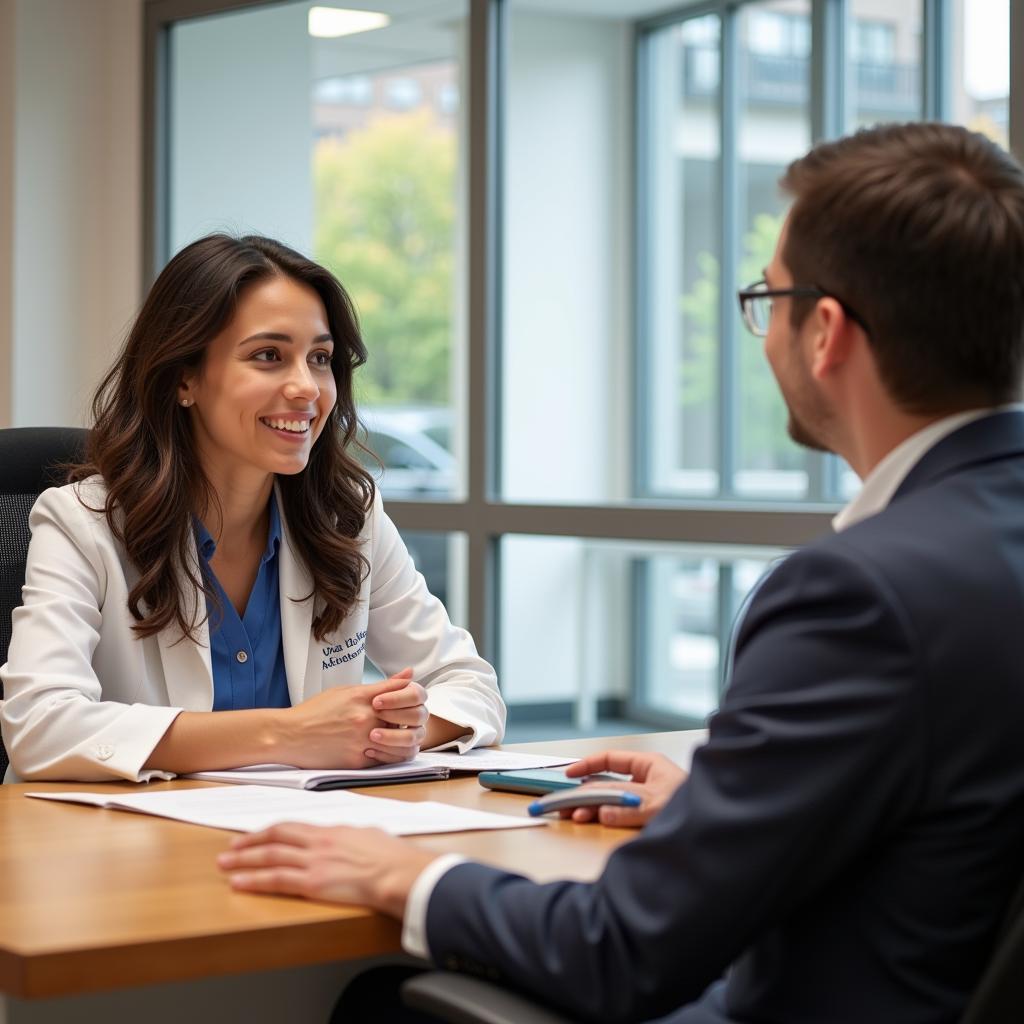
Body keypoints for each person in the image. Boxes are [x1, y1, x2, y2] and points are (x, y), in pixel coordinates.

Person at [217, 122, 1024, 1024]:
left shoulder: (856, 595)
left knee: (388, 1006)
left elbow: (625, 951)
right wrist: (732, 811)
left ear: (825, 332)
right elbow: (954, 815)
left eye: (768, 297)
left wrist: (410, 875)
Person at [0, 234, 505, 783]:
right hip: (124, 850)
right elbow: (40, 725)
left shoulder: (347, 518)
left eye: (320, 358)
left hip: (298, 843)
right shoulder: (82, 523)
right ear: (184, 378)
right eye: (268, 356)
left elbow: (470, 683)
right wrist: (291, 733)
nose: (305, 387)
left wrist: (390, 730)